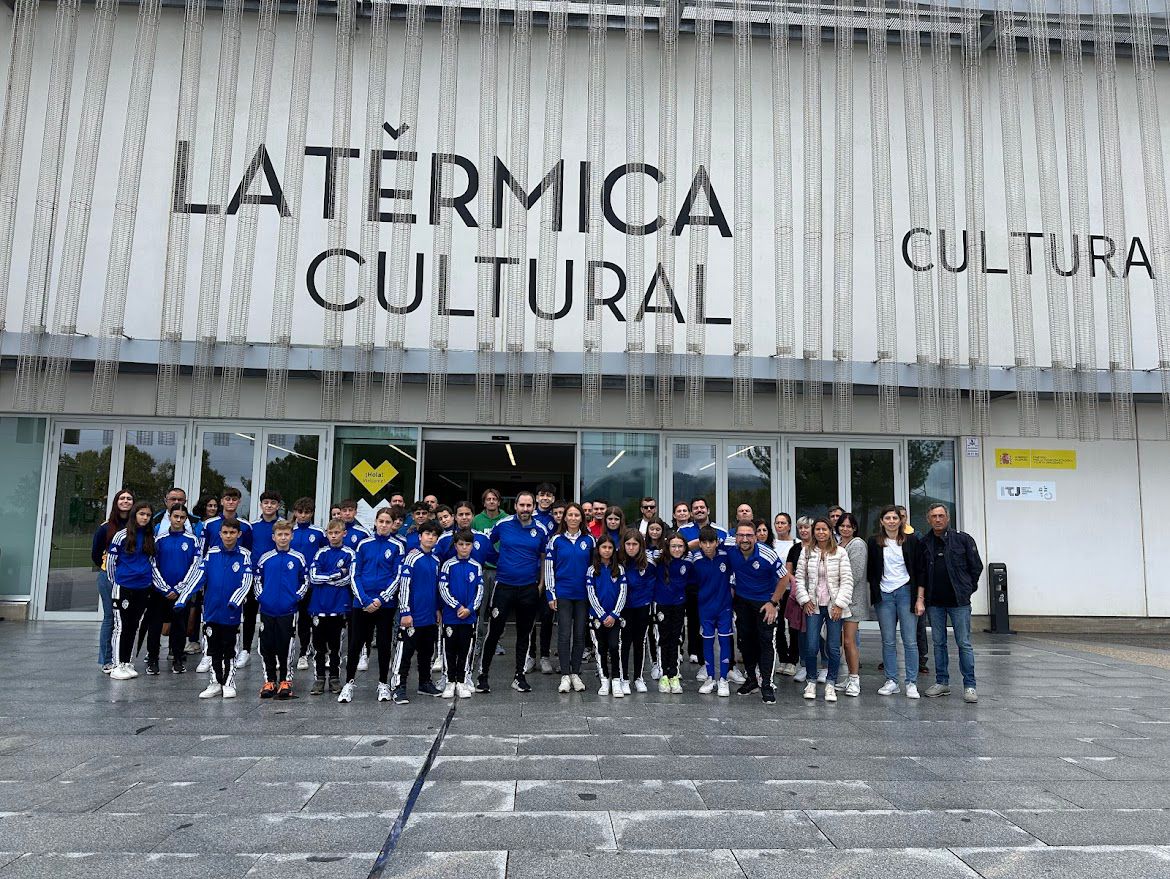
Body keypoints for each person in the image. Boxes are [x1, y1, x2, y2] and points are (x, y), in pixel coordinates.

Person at [476, 492, 549, 694]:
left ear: (533, 507)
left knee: (524, 633)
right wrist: (496, 560)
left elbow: (544, 557)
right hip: (504, 587)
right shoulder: (503, 524)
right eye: (522, 505)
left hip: (528, 588)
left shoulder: (541, 529)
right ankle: (482, 676)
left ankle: (519, 676)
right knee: (494, 631)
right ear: (515, 505)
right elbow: (487, 542)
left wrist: (541, 583)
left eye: (529, 505)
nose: (525, 509)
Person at [175, 518, 253, 699]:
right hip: (211, 611)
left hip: (232, 613)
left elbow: (246, 582)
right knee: (212, 649)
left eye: (232, 533)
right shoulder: (212, 553)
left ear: (239, 534)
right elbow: (199, 576)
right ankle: (215, 682)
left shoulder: (245, 556)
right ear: (220, 534)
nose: (228, 536)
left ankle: (228, 683)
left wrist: (235, 601)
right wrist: (183, 598)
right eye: (225, 532)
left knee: (230, 650)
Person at [338, 506, 404, 704]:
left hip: (385, 605)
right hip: (362, 603)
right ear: (375, 522)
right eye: (381, 521)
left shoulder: (397, 546)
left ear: (393, 525)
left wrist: (381, 599)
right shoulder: (363, 544)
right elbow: (355, 574)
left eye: (388, 522)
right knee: (355, 643)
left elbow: (397, 576)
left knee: (384, 645)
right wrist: (365, 600)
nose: (383, 525)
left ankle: (383, 684)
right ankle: (348, 684)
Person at [917, 504, 982, 703]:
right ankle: (942, 682)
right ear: (929, 519)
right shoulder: (925, 542)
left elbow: (976, 567)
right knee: (938, 643)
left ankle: (969, 686)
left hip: (959, 602)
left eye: (941, 516)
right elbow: (921, 572)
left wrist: (967, 589)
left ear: (948, 518)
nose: (938, 519)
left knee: (964, 643)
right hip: (934, 602)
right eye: (934, 516)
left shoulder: (963, 539)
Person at [726, 521, 786, 704]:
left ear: (755, 536)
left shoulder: (767, 553)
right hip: (743, 602)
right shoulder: (730, 548)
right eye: (741, 535)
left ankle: (766, 685)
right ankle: (752, 679)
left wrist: (773, 603)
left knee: (766, 643)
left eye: (749, 535)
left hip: (765, 603)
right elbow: (707, 540)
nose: (745, 539)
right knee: (746, 642)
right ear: (735, 537)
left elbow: (784, 578)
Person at [795, 517, 853, 702]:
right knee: (811, 646)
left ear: (830, 531)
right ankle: (811, 681)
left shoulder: (840, 552)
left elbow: (847, 580)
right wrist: (804, 600)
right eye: (817, 529)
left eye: (824, 529)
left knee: (833, 647)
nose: (821, 532)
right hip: (813, 606)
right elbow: (799, 579)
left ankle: (830, 683)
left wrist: (840, 604)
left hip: (834, 606)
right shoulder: (806, 552)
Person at [868, 505, 923, 699]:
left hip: (906, 592)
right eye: (887, 518)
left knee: (910, 640)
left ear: (901, 521)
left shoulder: (912, 541)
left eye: (895, 518)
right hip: (884, 595)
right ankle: (891, 680)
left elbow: (920, 570)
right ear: (881, 521)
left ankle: (911, 682)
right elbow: (871, 571)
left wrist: (920, 599)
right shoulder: (874, 542)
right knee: (888, 640)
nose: (891, 521)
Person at [253, 519, 309, 699]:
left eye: (286, 535)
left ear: (291, 536)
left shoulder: (298, 558)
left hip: (288, 610)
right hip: (268, 610)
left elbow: (305, 581)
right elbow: (257, 580)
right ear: (273, 537)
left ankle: (286, 680)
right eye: (280, 535)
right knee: (267, 645)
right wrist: (262, 598)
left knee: (287, 645)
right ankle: (269, 680)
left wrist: (295, 598)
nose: (283, 538)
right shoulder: (266, 557)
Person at [544, 502, 594, 694]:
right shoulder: (555, 540)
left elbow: (593, 568)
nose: (573, 518)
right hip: (563, 594)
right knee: (564, 635)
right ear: (564, 518)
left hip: (582, 595)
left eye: (577, 515)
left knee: (580, 635)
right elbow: (549, 568)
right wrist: (551, 593)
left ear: (582, 518)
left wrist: (592, 593)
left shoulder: (589, 540)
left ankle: (575, 673)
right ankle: (565, 675)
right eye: (570, 515)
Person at [392, 521, 443, 703]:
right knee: (405, 653)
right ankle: (398, 686)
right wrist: (405, 612)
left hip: (429, 616)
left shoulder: (436, 560)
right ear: (420, 537)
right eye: (427, 533)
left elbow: (436, 588)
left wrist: (437, 608)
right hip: (412, 616)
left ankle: (424, 683)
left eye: (433, 534)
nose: (430, 537)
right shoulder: (411, 558)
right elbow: (404, 586)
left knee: (426, 652)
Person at [106, 502, 157, 681]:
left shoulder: (151, 536)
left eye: (148, 515)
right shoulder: (121, 535)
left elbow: (152, 562)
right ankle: (117, 664)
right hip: (124, 587)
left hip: (143, 587)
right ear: (135, 515)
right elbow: (111, 563)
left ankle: (127, 662)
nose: (144, 517)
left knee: (134, 626)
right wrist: (117, 582)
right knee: (121, 626)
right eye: (141, 514)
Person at [307, 519, 356, 696]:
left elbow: (348, 579)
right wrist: (335, 574)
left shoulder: (350, 553)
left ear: (344, 533)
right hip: (318, 606)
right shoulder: (321, 553)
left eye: (337, 533)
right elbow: (313, 576)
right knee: (319, 647)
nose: (333, 536)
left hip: (339, 605)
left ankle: (335, 678)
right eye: (330, 533)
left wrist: (328, 578)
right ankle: (319, 678)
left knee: (336, 646)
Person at [151, 504, 200, 675]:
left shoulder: (192, 540)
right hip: (160, 592)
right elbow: (153, 565)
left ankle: (178, 659)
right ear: (170, 517)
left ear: (186, 519)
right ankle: (152, 659)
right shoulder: (159, 539)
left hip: (181, 593)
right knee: (156, 626)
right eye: (175, 516)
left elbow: (195, 566)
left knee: (179, 626)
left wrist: (180, 588)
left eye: (182, 517)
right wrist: (164, 588)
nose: (178, 520)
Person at [438, 530, 485, 699]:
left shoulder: (476, 566)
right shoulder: (448, 565)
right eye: (461, 544)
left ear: (472, 546)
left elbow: (480, 591)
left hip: (469, 617)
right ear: (455, 546)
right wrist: (457, 606)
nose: (464, 548)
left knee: (466, 649)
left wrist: (470, 609)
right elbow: (443, 589)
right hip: (451, 616)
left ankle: (463, 680)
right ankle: (450, 681)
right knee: (449, 649)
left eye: (467, 544)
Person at [239, 489, 282, 669]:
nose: (269, 506)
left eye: (273, 503)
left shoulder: (283, 525)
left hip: (274, 577)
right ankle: (246, 650)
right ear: (261, 505)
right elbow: (247, 548)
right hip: (254, 575)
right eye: (266, 502)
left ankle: (276, 652)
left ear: (278, 506)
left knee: (274, 615)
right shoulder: (252, 526)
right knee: (249, 614)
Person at [93, 489, 134, 673]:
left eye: (129, 498)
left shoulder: (137, 526)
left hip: (130, 579)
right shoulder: (105, 527)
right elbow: (95, 553)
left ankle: (123, 658)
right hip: (108, 577)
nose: (125, 501)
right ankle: (107, 660)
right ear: (116, 502)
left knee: (127, 620)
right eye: (122, 498)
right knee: (110, 618)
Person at [690, 525, 733, 697]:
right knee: (707, 642)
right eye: (704, 542)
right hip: (705, 608)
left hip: (724, 607)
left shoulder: (725, 556)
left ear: (717, 542)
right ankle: (710, 677)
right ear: (699, 544)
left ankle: (723, 679)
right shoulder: (695, 559)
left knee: (724, 642)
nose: (708, 546)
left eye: (711, 542)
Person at [586, 534, 627, 697]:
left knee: (614, 647)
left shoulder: (620, 569)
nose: (607, 550)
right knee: (600, 648)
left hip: (615, 618)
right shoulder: (591, 570)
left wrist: (614, 614)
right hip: (597, 618)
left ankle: (616, 680)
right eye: (604, 547)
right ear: (598, 549)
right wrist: (602, 616)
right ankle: (604, 680)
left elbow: (623, 593)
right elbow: (591, 594)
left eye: (610, 547)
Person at [618, 529, 656, 695]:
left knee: (640, 642)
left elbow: (652, 583)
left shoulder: (648, 563)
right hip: (624, 607)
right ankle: (624, 678)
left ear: (641, 546)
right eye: (628, 544)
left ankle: (638, 677)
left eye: (635, 544)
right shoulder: (618, 562)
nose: (631, 547)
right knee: (624, 643)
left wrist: (646, 600)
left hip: (642, 606)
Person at [290, 497, 326, 670]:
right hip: (290, 582)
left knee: (306, 619)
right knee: (288, 619)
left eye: (307, 512)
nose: (303, 515)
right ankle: (285, 652)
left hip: (311, 584)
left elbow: (325, 554)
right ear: (295, 512)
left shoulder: (318, 533)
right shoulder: (288, 531)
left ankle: (304, 652)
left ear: (312, 513)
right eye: (300, 512)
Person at [836, 512, 869, 698]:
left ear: (854, 528)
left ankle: (855, 679)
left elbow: (855, 575)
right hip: (839, 600)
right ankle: (849, 677)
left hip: (852, 601)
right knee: (842, 642)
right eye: (842, 525)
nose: (845, 529)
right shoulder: (838, 545)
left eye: (849, 526)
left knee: (849, 641)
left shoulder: (857, 545)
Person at [654, 532, 690, 694]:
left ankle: (673, 674)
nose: (677, 549)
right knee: (663, 639)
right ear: (667, 547)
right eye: (673, 546)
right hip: (661, 605)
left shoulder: (687, 563)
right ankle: (663, 674)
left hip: (679, 605)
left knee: (676, 639)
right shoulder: (659, 561)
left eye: (680, 546)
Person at [897, 504, 929, 676]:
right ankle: (889, 659)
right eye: (897, 516)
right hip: (893, 591)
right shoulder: (888, 538)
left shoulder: (915, 536)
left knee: (918, 627)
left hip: (913, 589)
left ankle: (921, 659)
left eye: (902, 516)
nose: (900, 519)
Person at [531, 483, 559, 675]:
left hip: (552, 574)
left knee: (548, 616)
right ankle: (530, 656)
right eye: (542, 495)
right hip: (531, 573)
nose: (545, 498)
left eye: (549, 495)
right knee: (529, 617)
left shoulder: (558, 517)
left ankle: (545, 656)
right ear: (537, 497)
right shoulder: (528, 516)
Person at [786, 517, 814, 681]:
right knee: (801, 631)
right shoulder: (795, 548)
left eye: (807, 527)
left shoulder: (819, 546)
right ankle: (804, 665)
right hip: (799, 594)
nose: (803, 530)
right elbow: (789, 570)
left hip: (818, 594)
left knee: (819, 633)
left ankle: (824, 666)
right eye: (801, 528)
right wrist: (797, 584)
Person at [202, 487, 253, 554]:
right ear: (222, 502)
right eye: (228, 499)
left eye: (234, 499)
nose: (231, 502)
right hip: (215, 562)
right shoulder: (209, 524)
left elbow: (248, 550)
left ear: (239, 502)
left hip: (236, 563)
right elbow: (202, 549)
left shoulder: (246, 526)